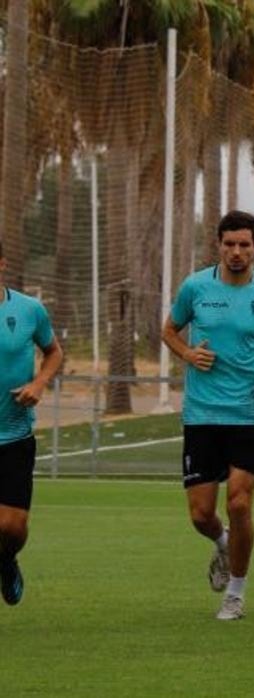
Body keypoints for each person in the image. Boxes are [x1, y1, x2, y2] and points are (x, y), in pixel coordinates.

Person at [160, 210, 254, 620]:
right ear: (218, 245)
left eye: (244, 245)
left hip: (249, 413)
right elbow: (168, 330)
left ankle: (235, 593)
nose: (236, 252)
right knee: (201, 513)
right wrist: (186, 353)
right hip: (202, 414)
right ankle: (222, 543)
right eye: (229, 244)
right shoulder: (196, 287)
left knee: (239, 503)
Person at [0, 245, 64, 608]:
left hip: (14, 435)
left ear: (2, 263)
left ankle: (6, 561)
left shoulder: (28, 309)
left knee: (12, 528)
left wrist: (38, 384)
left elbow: (54, 351)